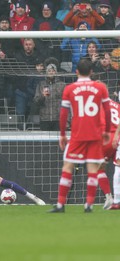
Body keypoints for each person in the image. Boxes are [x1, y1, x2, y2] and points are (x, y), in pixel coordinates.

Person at [49, 59, 111, 213]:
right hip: (95, 135)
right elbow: (107, 111)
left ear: (76, 72)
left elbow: (63, 114)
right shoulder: (100, 88)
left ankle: (60, 204)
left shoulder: (69, 89)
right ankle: (88, 205)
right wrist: (106, 131)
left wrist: (62, 134)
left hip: (77, 135)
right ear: (92, 72)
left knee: (68, 167)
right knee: (92, 168)